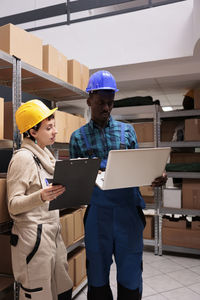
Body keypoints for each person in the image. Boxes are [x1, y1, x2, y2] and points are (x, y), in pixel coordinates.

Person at [69, 70, 167, 300]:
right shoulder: (77, 138)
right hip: (97, 216)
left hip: (128, 214)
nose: (106, 108)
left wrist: (156, 176)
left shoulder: (127, 131)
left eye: (110, 103)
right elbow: (76, 184)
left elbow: (140, 170)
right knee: (97, 278)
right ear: (89, 99)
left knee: (131, 275)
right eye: (101, 102)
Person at [7, 99, 73, 300]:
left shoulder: (46, 157)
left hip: (51, 233)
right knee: (39, 294)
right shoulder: (23, 158)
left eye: (54, 126)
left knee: (62, 291)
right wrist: (40, 196)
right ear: (32, 132)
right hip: (32, 238)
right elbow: (13, 205)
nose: (55, 132)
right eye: (48, 128)